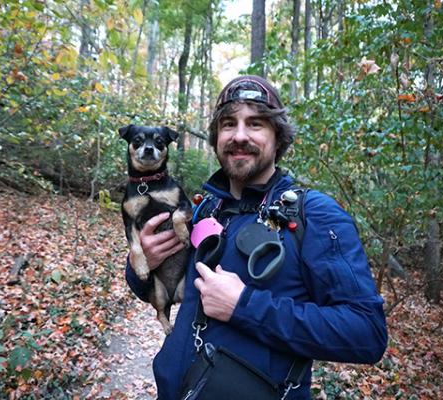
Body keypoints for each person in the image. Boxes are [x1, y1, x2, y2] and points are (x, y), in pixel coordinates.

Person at [125, 75, 388, 399]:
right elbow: (165, 286)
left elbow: (367, 333)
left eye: (256, 124)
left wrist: (244, 306)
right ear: (216, 137)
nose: (239, 135)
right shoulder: (206, 208)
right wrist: (142, 265)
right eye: (228, 124)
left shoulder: (315, 215)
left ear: (278, 137)